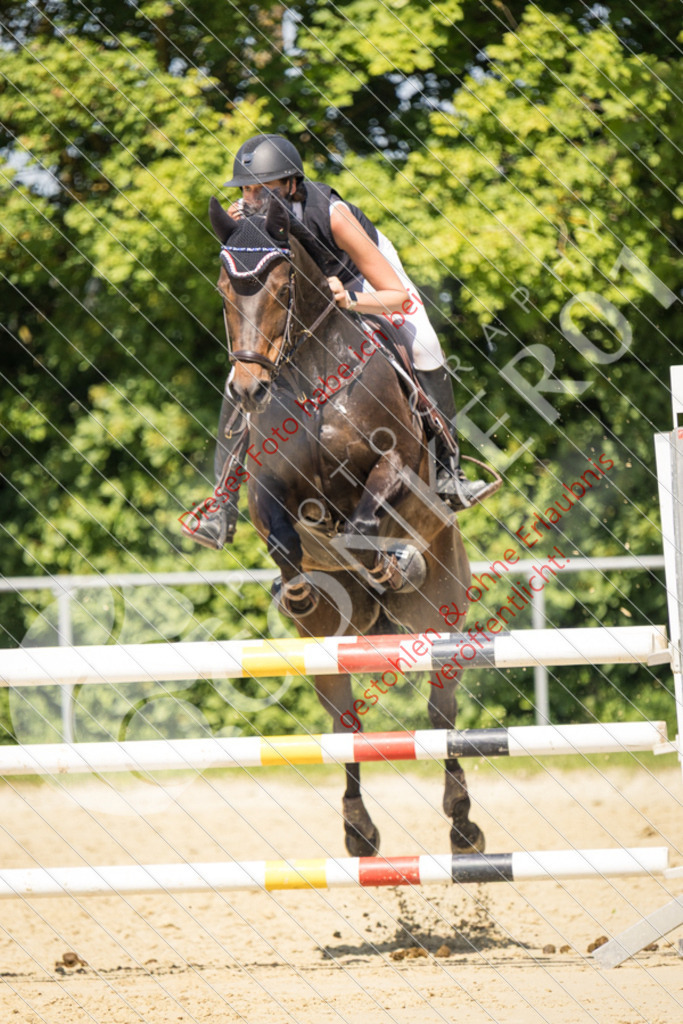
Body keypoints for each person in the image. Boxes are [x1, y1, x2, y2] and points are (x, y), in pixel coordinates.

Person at [183, 134, 493, 550]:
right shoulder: (251, 220)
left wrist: (352, 300)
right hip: (306, 296)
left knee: (424, 346)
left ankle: (449, 471)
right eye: (245, 188)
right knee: (239, 375)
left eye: (261, 187)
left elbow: (397, 295)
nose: (250, 197)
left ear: (291, 184)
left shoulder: (332, 216)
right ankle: (222, 505)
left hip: (365, 281)